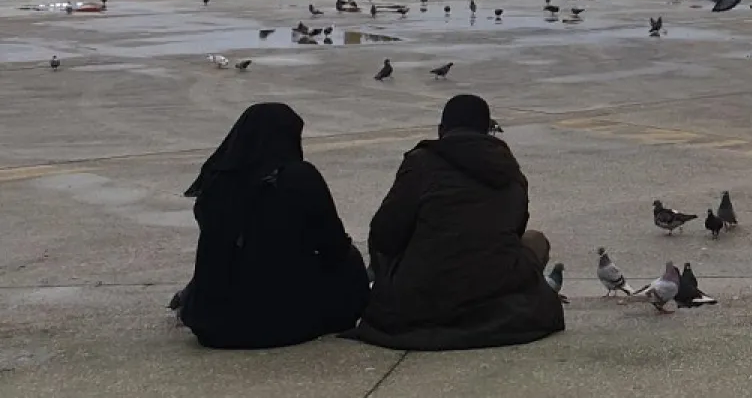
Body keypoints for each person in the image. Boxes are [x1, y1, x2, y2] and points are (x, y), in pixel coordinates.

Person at [357, 95, 564, 351]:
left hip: (424, 296)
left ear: (442, 130)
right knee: (535, 241)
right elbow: (513, 231)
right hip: (495, 292)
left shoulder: (421, 163)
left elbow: (384, 234)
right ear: (486, 130)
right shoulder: (510, 171)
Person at [175, 103, 369, 350]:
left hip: (213, 326)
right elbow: (334, 245)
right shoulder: (299, 176)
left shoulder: (217, 181)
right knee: (349, 261)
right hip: (282, 325)